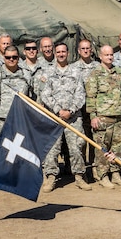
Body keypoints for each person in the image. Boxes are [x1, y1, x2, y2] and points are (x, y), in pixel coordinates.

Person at [41, 42, 92, 192]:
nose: (61, 54)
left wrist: (70, 110)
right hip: (54, 117)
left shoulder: (76, 72)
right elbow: (45, 94)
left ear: (68, 53)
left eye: (64, 51)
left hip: (73, 117)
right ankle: (50, 177)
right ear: (55, 54)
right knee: (52, 148)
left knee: (76, 147)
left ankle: (79, 176)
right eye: (58, 52)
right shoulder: (48, 72)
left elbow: (80, 94)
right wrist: (58, 110)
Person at [0, 45, 32, 182]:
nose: (11, 60)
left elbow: (32, 96)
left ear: (18, 58)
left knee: (17, 149)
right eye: (8, 57)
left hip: (18, 118)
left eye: (14, 57)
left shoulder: (26, 74)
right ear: (3, 58)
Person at [85, 45, 121, 188]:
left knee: (117, 147)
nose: (110, 57)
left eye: (111, 54)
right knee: (102, 148)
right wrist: (93, 116)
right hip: (102, 117)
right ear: (100, 56)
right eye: (107, 55)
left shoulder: (119, 72)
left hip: (118, 117)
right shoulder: (95, 74)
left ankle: (116, 172)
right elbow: (91, 96)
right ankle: (103, 175)